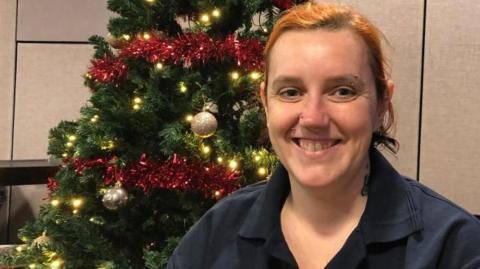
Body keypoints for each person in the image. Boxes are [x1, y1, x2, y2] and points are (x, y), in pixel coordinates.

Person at [167, 2, 480, 268]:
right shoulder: (214, 235)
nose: (314, 117)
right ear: (265, 101)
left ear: (383, 101)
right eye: (290, 92)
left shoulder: (455, 248)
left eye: (342, 91)